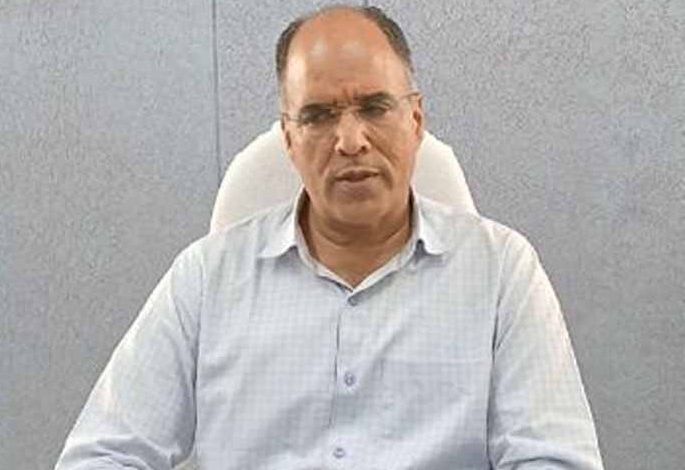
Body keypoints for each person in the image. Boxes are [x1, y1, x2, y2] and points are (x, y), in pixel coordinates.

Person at [56, 5, 604, 470]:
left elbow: (553, 458)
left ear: (415, 120)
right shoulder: (206, 279)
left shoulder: (501, 273)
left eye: (374, 108)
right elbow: (102, 455)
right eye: (318, 116)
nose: (350, 140)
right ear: (289, 139)